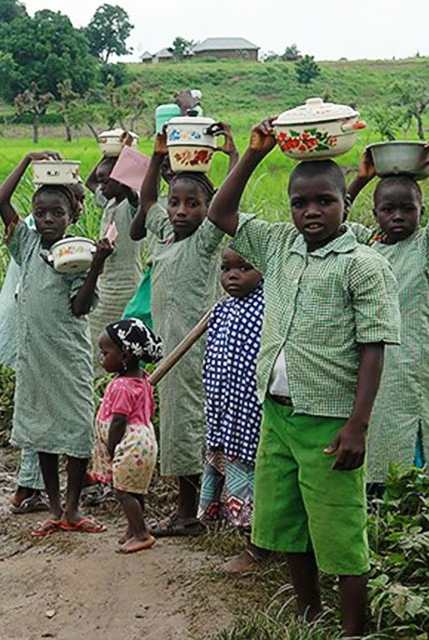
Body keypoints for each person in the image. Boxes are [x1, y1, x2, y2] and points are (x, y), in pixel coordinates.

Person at [206, 118, 401, 637]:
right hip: (278, 412)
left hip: (330, 418)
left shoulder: (362, 264)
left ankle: (354, 627)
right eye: (300, 203)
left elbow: (373, 345)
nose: (311, 212)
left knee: (339, 528)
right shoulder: (277, 246)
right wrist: (254, 153)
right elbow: (220, 211)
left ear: (345, 204)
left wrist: (358, 424)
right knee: (288, 522)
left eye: (324, 202)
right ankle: (309, 614)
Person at [0, 150, 114, 537]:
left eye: (56, 213)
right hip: (35, 358)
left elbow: (80, 308)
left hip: (68, 356)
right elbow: (0, 199)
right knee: (42, 432)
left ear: (72, 216)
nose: (47, 220)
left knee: (77, 432)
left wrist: (96, 264)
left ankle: (73, 509)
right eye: (41, 212)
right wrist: (28, 161)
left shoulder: (76, 254)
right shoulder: (26, 245)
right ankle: (56, 507)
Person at [128, 123, 237, 537]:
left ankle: (189, 513)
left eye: (193, 204)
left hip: (194, 350)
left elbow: (231, 198)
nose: (181, 211)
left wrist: (232, 152)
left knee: (189, 426)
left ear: (207, 210)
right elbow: (148, 199)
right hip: (168, 347)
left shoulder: (205, 241)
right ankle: (197, 507)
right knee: (177, 424)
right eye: (178, 203)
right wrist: (157, 154)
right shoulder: (166, 235)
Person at [346, 142, 429, 487]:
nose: (397, 216)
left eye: (407, 209)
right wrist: (361, 178)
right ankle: (379, 490)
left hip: (412, 360)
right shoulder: (368, 247)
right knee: (378, 425)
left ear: (420, 212)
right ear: (375, 213)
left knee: (415, 423)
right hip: (375, 362)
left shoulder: (424, 247)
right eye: (388, 209)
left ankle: (420, 495)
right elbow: (335, 219)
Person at [199, 247, 267, 572]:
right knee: (236, 476)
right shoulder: (222, 311)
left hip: (253, 418)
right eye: (226, 268)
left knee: (257, 482)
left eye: (245, 267)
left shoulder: (271, 306)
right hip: (225, 413)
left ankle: (257, 549)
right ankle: (249, 540)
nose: (233, 276)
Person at [90, 318, 162, 554]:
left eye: (105, 353)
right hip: (145, 440)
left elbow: (119, 420)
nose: (102, 358)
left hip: (129, 443)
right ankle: (134, 528)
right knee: (134, 488)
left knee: (123, 491)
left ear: (125, 356)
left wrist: (112, 447)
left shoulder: (120, 386)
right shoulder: (143, 380)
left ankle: (142, 534)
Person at [85, 148, 145, 353]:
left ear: (120, 180)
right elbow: (90, 182)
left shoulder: (131, 205)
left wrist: (126, 157)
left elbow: (132, 191)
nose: (100, 186)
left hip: (126, 285)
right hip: (105, 284)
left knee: (123, 342)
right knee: (97, 339)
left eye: (106, 181)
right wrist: (108, 152)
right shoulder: (109, 202)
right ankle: (101, 381)